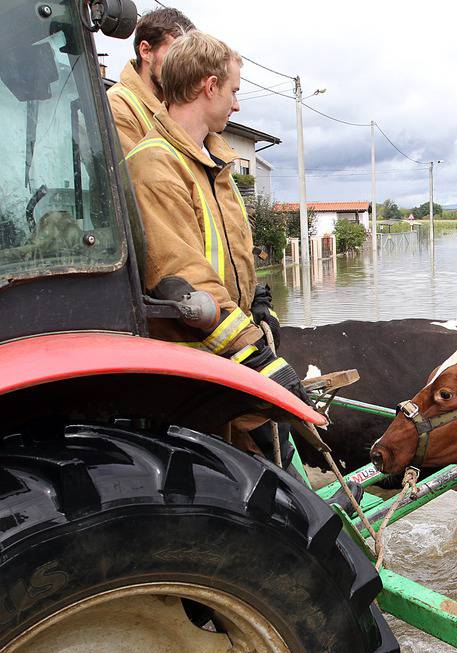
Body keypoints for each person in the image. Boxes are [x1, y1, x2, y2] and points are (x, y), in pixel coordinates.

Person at [124, 31, 306, 470]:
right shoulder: (155, 163)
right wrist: (256, 356)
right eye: (234, 91)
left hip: (220, 358)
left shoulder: (212, 164)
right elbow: (183, 278)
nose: (237, 104)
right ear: (209, 86)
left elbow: (228, 256)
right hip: (192, 371)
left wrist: (258, 304)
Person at [107, 7, 195, 153]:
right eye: (175, 56)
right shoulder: (118, 107)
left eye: (189, 59)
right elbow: (136, 173)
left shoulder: (179, 106)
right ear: (146, 51)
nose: (184, 68)